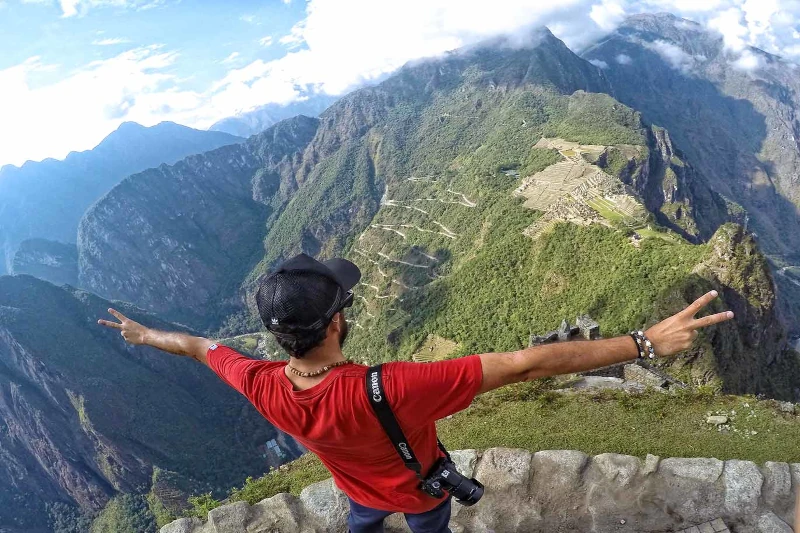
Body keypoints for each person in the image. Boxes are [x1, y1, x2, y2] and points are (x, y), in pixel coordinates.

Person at [98, 253, 734, 533]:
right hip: (420, 489)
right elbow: (524, 366)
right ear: (337, 322)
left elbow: (199, 346)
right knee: (430, 525)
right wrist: (645, 342)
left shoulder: (260, 383)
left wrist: (143, 335)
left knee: (362, 520)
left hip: (357, 492)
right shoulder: (392, 389)